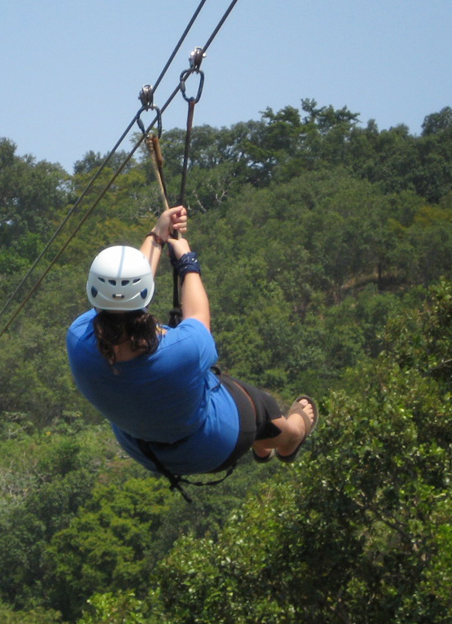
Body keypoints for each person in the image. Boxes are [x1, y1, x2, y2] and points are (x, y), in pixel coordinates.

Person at [66, 205, 317, 481]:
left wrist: (157, 236)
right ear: (145, 293)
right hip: (212, 446)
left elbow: (121, 298)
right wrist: (187, 260)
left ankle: (263, 442)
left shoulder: (78, 339)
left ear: (92, 291)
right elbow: (197, 318)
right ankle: (290, 437)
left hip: (146, 451)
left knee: (216, 393)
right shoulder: (180, 350)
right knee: (254, 399)